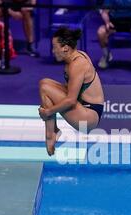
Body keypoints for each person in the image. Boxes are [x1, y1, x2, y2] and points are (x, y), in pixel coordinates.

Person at [38, 27, 105, 156]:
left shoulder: (77, 64)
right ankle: (53, 131)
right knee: (44, 83)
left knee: (45, 89)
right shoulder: (77, 56)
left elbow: (71, 100)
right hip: (84, 107)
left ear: (65, 48)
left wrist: (48, 112)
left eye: (54, 47)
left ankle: (50, 133)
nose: (53, 51)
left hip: (88, 116)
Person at [97, 0, 131, 72]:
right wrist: (107, 22)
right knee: (101, 32)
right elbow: (104, 12)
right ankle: (106, 55)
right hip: (115, 22)